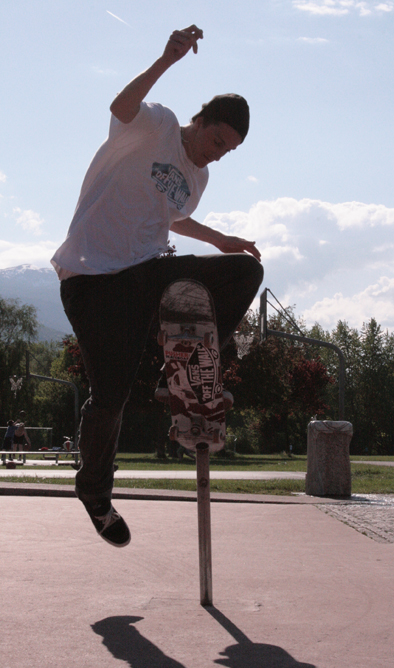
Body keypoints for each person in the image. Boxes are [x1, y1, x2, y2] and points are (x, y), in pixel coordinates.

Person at [51, 25, 263, 548]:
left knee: (246, 271)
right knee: (110, 396)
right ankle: (95, 494)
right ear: (201, 120)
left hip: (144, 276)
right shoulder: (158, 125)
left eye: (229, 151)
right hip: (91, 278)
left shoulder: (198, 181)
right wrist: (165, 59)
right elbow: (122, 104)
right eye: (217, 140)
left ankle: (191, 370)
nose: (217, 154)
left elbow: (174, 219)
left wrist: (221, 240)